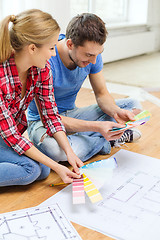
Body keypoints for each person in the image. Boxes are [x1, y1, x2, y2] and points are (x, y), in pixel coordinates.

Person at [0, 9, 97, 187]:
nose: (54, 54)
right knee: (32, 170)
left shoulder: (41, 69)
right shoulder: (1, 76)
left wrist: (70, 153)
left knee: (43, 170)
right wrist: (57, 167)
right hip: (5, 135)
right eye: (51, 48)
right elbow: (12, 136)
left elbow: (50, 115)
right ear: (32, 48)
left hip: (7, 134)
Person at [27, 13, 142, 163]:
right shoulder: (46, 60)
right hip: (42, 122)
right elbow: (50, 117)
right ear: (70, 44)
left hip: (73, 115)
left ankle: (89, 138)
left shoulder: (93, 55)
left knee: (133, 106)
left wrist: (116, 111)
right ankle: (104, 141)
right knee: (55, 150)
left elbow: (101, 94)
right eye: (88, 55)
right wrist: (97, 127)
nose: (94, 60)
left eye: (98, 54)